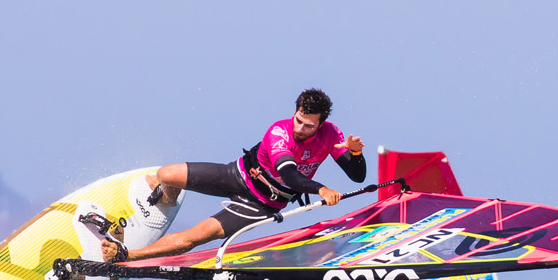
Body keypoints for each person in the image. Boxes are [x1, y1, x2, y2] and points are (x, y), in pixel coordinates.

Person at [100, 88, 365, 262]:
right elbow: (291, 175)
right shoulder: (279, 133)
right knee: (165, 173)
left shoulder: (331, 135)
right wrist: (321, 189)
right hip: (237, 174)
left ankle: (126, 254)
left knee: (198, 235)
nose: (301, 129)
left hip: (260, 204)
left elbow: (358, 176)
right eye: (298, 120)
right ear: (294, 112)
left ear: (321, 124)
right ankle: (167, 200)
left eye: (309, 126)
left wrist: (355, 154)